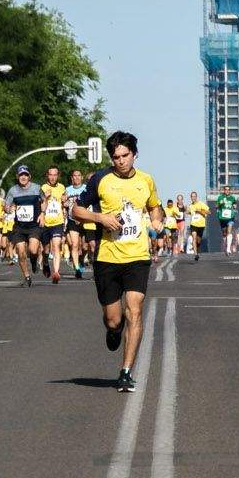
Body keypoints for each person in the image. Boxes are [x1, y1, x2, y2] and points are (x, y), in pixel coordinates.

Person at [69, 131, 163, 393]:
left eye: (125, 156)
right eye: (116, 157)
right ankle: (113, 330)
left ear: (134, 154)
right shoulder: (100, 179)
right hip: (107, 257)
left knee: (135, 309)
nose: (120, 161)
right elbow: (75, 210)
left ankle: (125, 371)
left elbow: (155, 206)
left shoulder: (146, 181)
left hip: (137, 257)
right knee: (113, 320)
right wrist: (101, 219)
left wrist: (156, 219)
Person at [6, 166, 46, 286]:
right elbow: (6, 206)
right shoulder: (13, 190)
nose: (23, 177)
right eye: (21, 175)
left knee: (33, 250)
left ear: (29, 176)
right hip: (19, 227)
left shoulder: (37, 188)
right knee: (21, 252)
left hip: (34, 225)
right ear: (17, 177)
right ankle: (27, 276)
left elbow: (44, 201)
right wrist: (10, 208)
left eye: (26, 175)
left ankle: (34, 262)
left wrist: (43, 214)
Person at [39, 165, 68, 284]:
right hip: (45, 222)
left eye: (55, 175)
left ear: (58, 176)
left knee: (56, 246)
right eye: (50, 174)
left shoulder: (62, 187)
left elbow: (65, 203)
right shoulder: (42, 187)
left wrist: (65, 200)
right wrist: (44, 197)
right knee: (46, 248)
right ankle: (45, 261)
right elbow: (39, 203)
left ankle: (56, 272)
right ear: (47, 175)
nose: (53, 177)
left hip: (58, 222)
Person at [187, 194, 208, 262]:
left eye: (194, 196)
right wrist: (185, 210)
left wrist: (200, 211)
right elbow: (188, 212)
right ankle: (196, 254)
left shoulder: (201, 204)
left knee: (198, 241)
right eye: (192, 196)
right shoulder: (190, 206)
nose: (193, 198)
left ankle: (197, 249)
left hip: (201, 225)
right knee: (194, 238)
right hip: (193, 225)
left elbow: (209, 212)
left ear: (196, 197)